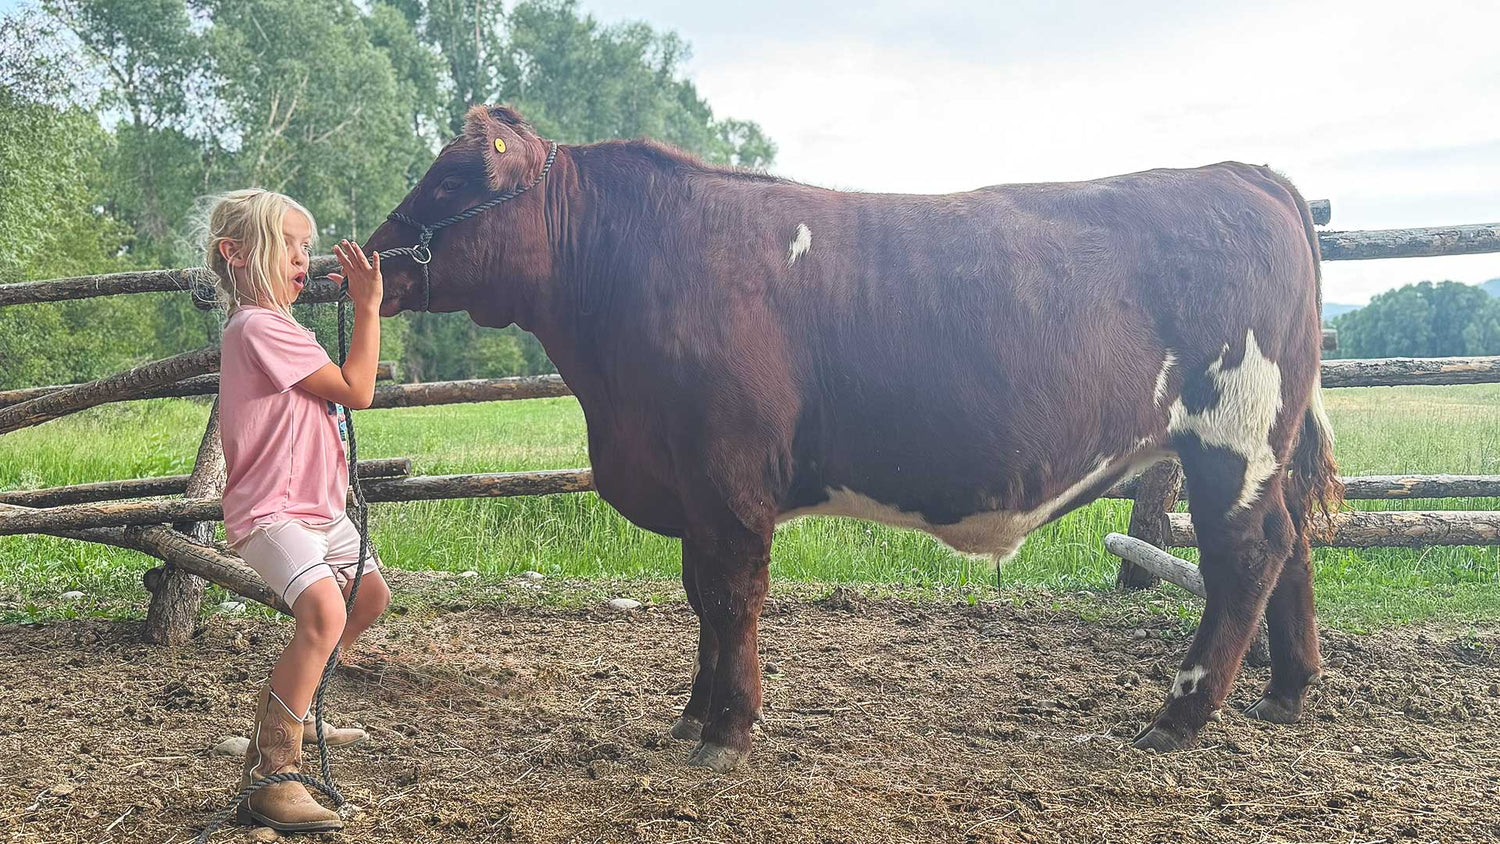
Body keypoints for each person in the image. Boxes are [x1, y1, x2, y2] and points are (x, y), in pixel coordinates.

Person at [205, 188, 391, 833]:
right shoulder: (257, 326)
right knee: (323, 611)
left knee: (368, 599)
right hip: (273, 510)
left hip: (319, 508)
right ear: (235, 253)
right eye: (286, 243)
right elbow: (358, 390)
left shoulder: (284, 328)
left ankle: (285, 710)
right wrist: (368, 310)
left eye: (305, 246)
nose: (300, 257)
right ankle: (272, 773)